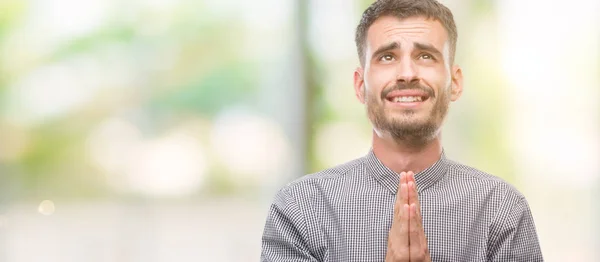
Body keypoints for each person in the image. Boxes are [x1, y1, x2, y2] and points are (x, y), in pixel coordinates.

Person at [260, 0, 543, 261]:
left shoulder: (501, 210)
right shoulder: (301, 209)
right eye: (387, 57)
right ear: (360, 85)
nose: (407, 73)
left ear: (455, 82)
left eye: (425, 56)